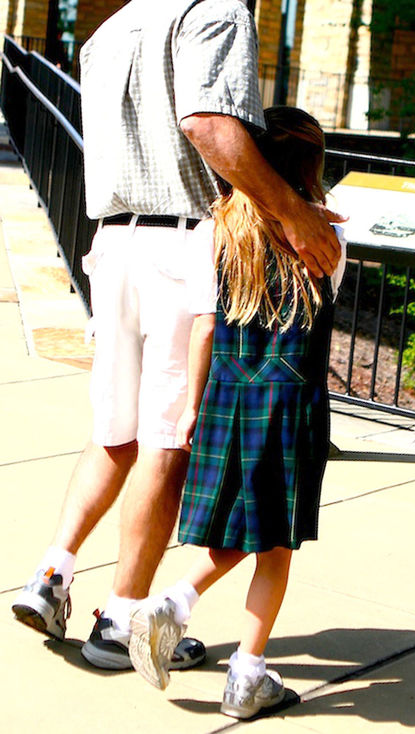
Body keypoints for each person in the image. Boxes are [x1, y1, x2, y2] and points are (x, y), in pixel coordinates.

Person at [11, 0, 343, 672]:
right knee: (167, 440)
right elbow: (205, 124)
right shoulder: (214, 11)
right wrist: (290, 214)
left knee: (113, 429)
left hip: (112, 239)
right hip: (184, 243)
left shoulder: (109, 30)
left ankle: (52, 572)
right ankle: (121, 620)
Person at [126, 106, 347, 719]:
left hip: (227, 392)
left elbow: (204, 328)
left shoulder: (214, 231)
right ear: (311, 165)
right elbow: (325, 302)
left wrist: (193, 406)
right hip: (292, 399)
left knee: (241, 526)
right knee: (275, 544)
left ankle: (172, 602)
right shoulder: (328, 235)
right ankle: (246, 673)